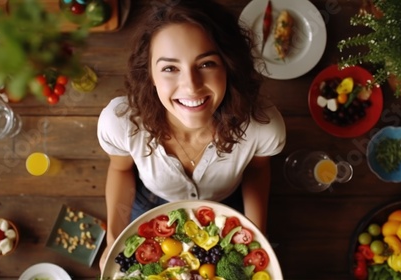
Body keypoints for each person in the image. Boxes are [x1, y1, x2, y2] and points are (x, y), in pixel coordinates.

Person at [96, 0, 286, 272]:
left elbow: (257, 172)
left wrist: (257, 235)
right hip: (150, 201)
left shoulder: (265, 126)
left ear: (229, 66)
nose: (191, 86)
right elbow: (120, 169)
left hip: (225, 202)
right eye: (170, 68)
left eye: (206, 63)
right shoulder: (120, 122)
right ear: (149, 73)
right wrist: (114, 237)